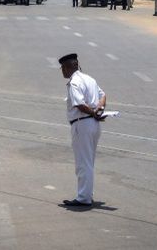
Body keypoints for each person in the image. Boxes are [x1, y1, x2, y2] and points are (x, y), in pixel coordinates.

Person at [58, 53, 106, 207]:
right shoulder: (89, 79)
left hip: (82, 124)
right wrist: (99, 109)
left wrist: (93, 112)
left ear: (69, 66)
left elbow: (79, 104)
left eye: (63, 68)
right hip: (94, 125)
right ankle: (87, 194)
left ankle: (83, 198)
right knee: (89, 162)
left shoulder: (74, 82)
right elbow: (103, 95)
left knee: (82, 163)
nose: (63, 72)